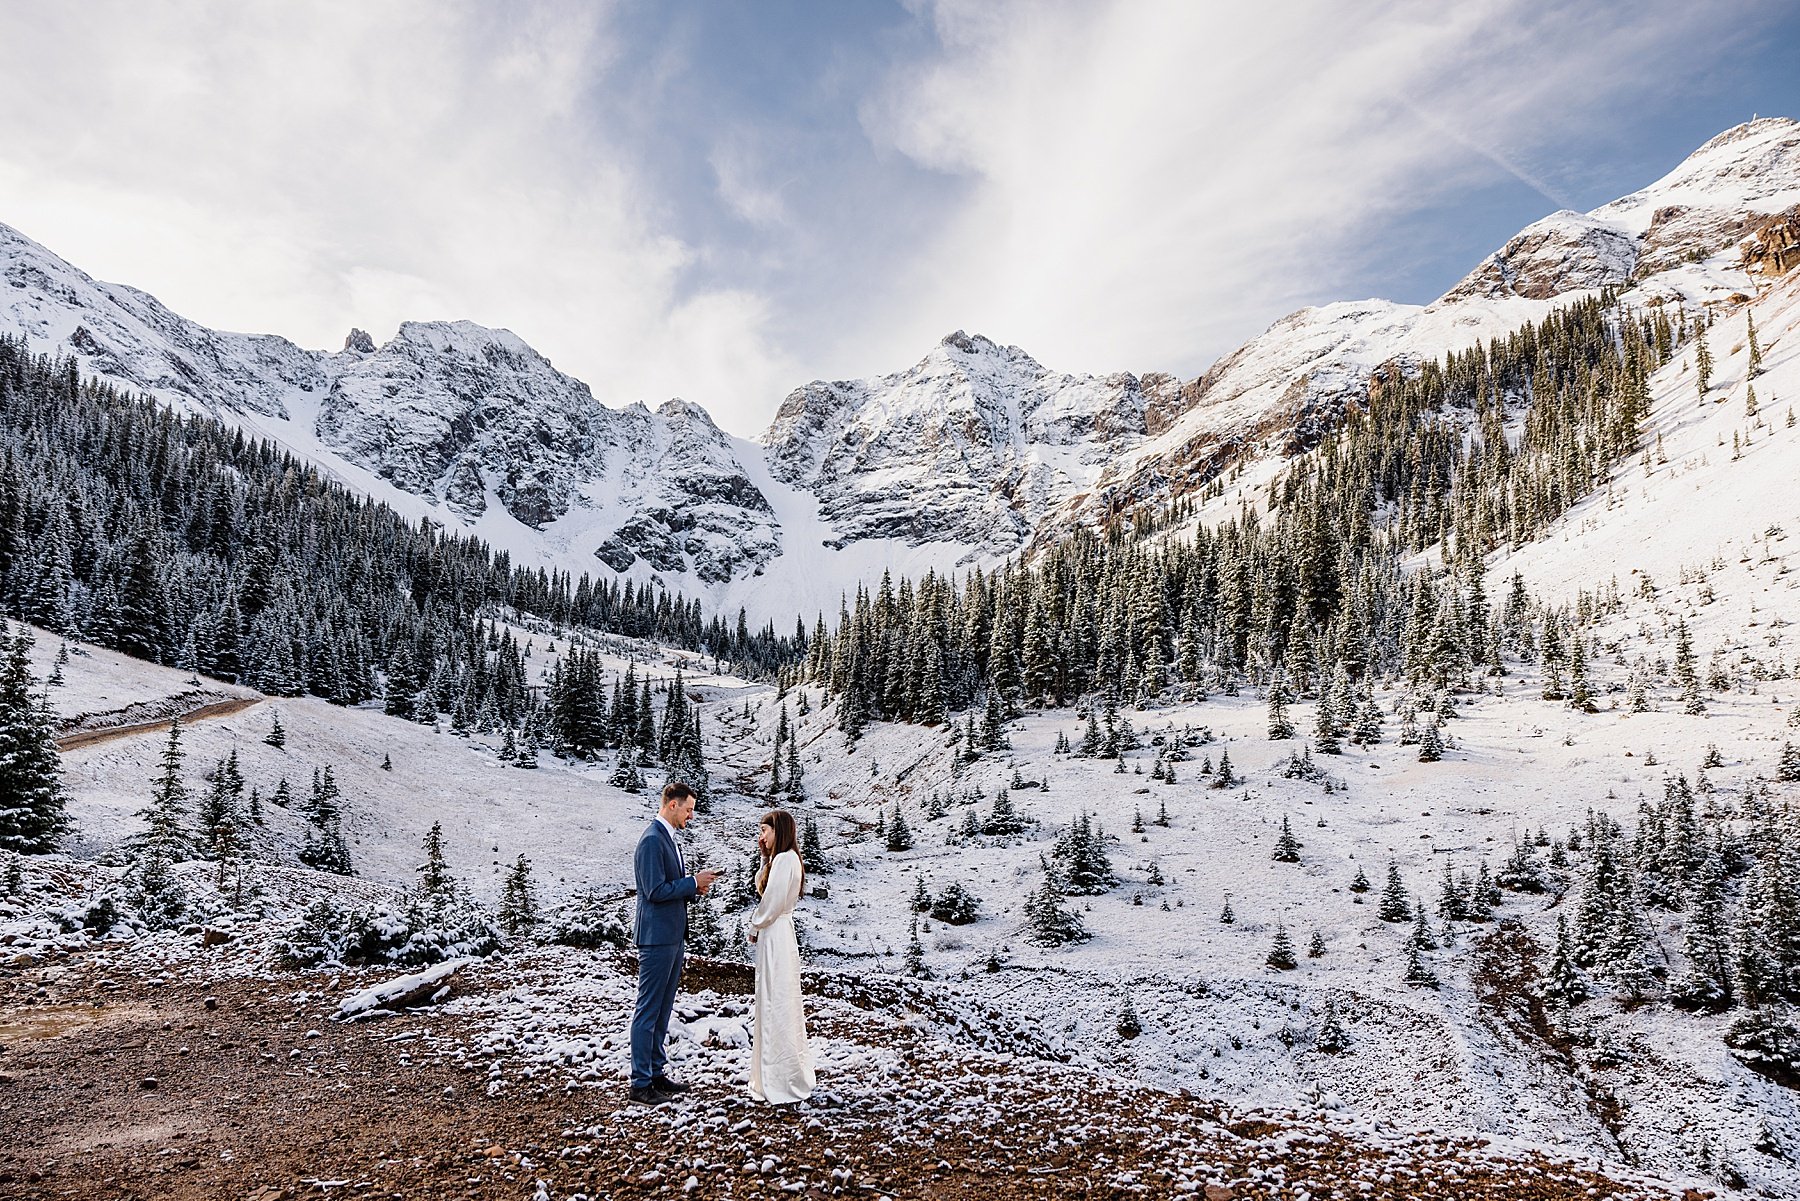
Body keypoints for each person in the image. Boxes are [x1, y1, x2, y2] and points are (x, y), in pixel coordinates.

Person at [629, 781, 720, 1105]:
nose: (691, 816)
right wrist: (692, 883)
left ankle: (655, 1073)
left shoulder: (667, 839)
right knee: (648, 1009)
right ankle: (640, 1084)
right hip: (656, 938)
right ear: (672, 805)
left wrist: (692, 886)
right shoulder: (653, 840)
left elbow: (668, 887)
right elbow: (653, 891)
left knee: (662, 1009)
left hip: (670, 937)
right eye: (688, 809)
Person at [747, 808, 814, 1104]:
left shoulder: (786, 859)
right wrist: (764, 857)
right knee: (774, 999)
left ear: (779, 831)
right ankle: (773, 1076)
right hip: (777, 933)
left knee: (777, 1000)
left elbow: (771, 901)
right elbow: (766, 889)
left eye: (765, 831)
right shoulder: (781, 860)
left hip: (775, 932)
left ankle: (781, 1079)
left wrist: (755, 923)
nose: (762, 836)